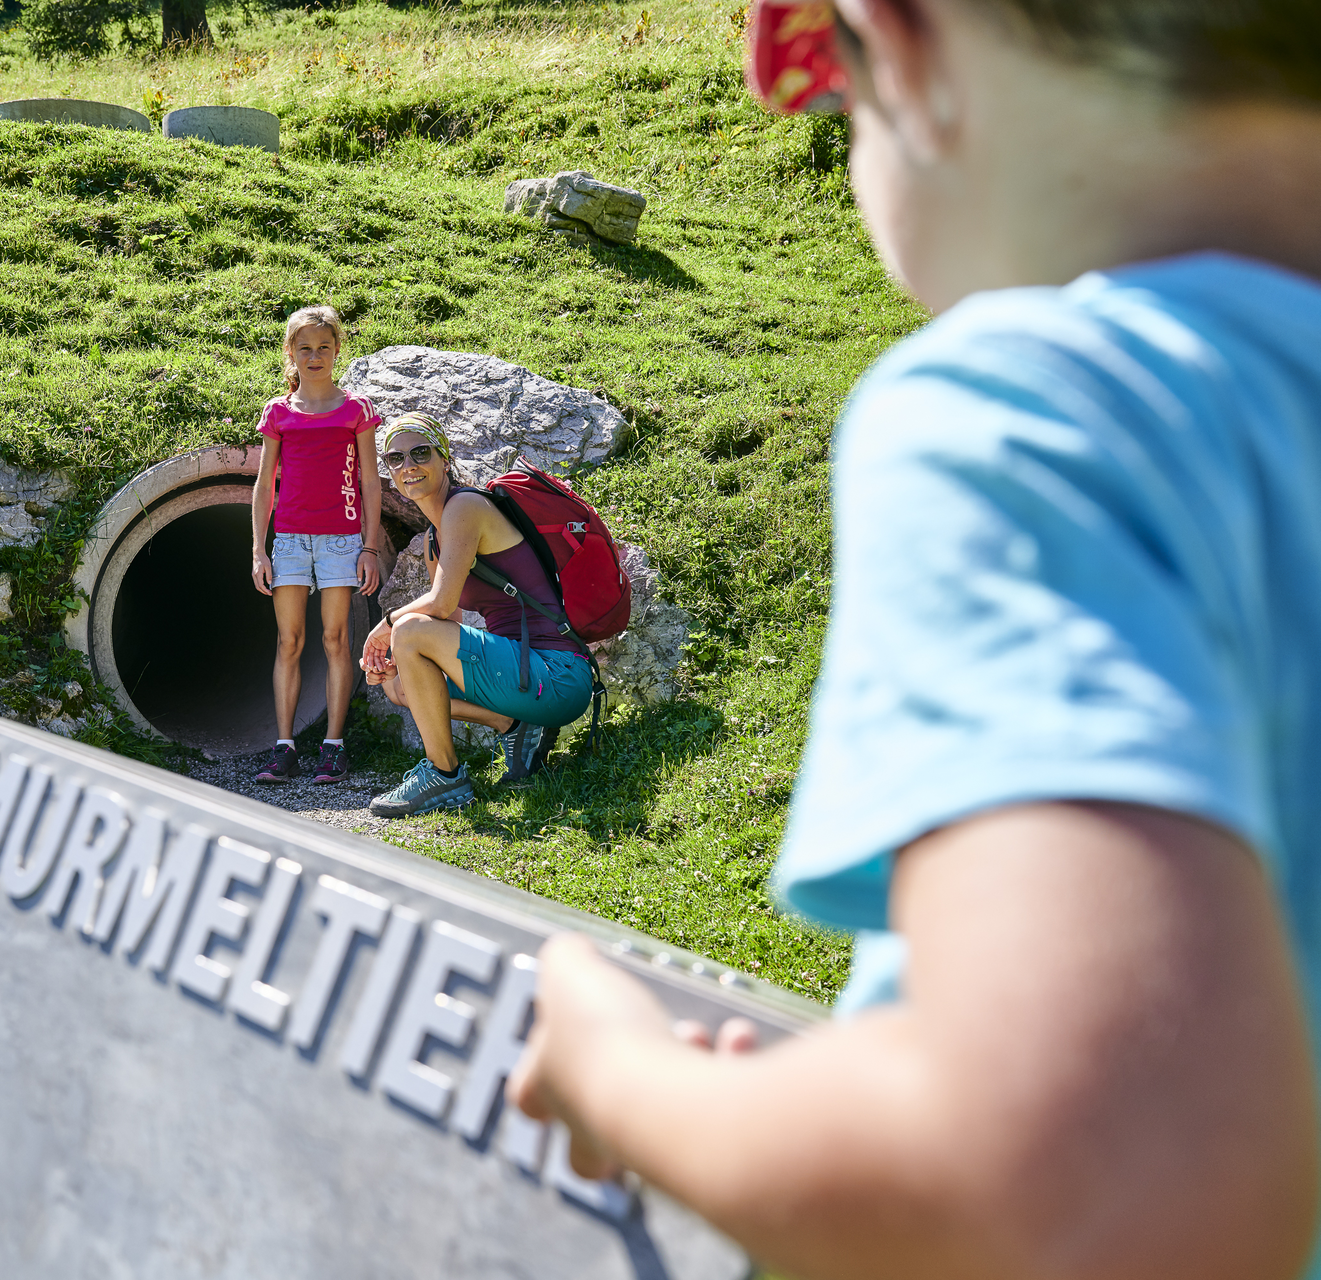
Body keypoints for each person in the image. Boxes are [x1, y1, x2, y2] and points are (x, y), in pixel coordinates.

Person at [509, 2, 1321, 1278]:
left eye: (838, 107)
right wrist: (840, 1104)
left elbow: (1105, 1189)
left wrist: (625, 1077)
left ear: (900, 45)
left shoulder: (1042, 417)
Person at [361, 414, 596, 817]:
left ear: (444, 459)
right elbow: (447, 621)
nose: (408, 465)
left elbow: (436, 605)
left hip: (558, 675)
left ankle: (445, 777)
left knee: (409, 629)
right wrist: (400, 660)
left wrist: (387, 627)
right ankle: (514, 725)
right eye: (395, 459)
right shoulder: (434, 538)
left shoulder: (465, 506)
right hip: (523, 675)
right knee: (399, 687)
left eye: (420, 453)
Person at [250, 305, 386, 786]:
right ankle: (284, 749)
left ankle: (333, 747)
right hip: (288, 541)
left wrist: (370, 547)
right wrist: (259, 549)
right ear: (290, 352)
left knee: (335, 640)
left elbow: (371, 482)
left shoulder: (356, 409)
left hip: (342, 541)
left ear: (336, 350)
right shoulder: (278, 412)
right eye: (305, 348)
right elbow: (264, 485)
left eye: (324, 347)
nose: (314, 356)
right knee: (289, 641)